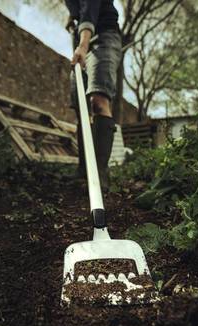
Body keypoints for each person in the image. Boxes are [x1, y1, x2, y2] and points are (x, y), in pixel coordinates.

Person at [65, 0, 122, 191]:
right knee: (81, 106)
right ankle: (83, 171)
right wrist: (73, 16)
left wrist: (83, 44)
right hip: (81, 40)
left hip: (103, 36)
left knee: (98, 100)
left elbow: (90, 7)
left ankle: (99, 174)